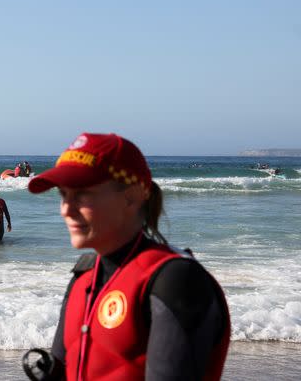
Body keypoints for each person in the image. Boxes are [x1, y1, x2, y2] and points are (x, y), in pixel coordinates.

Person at [22, 133, 230, 381]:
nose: (66, 209)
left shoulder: (174, 280)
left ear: (131, 196)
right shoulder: (84, 277)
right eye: (63, 195)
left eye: (82, 194)